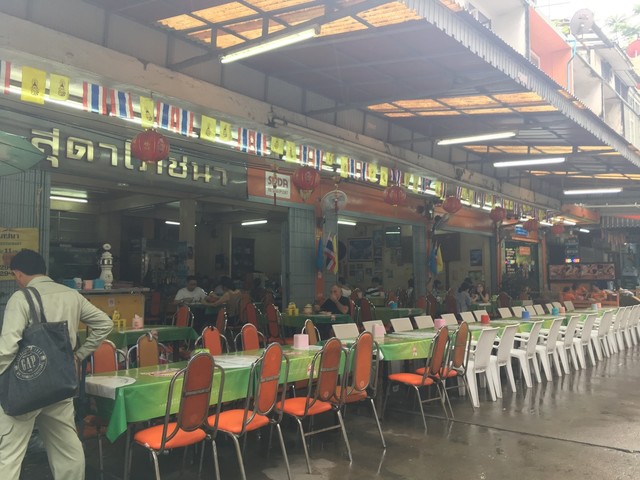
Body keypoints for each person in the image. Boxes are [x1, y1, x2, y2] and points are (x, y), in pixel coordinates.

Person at [0, 249, 113, 480]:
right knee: (67, 449)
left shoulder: (20, 298)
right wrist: (79, 355)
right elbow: (104, 323)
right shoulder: (71, 295)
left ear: (18, 274)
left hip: (25, 388)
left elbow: (7, 350)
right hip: (59, 383)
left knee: (10, 453)